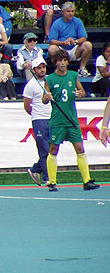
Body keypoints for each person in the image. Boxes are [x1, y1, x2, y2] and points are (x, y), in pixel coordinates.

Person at [41, 49, 99, 192]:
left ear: (67, 62)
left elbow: (82, 91)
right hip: (57, 120)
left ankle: (86, 181)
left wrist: (81, 93)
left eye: (64, 60)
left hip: (72, 119)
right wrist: (47, 98)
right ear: (55, 63)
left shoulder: (73, 76)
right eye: (59, 61)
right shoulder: (50, 79)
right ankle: (52, 182)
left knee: (80, 148)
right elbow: (43, 99)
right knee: (53, 149)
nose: (62, 63)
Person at [23, 58, 51, 186]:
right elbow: (27, 106)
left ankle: (36, 169)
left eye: (43, 67)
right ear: (34, 70)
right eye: (39, 68)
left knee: (52, 148)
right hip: (39, 119)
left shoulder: (49, 80)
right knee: (44, 149)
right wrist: (36, 115)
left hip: (51, 118)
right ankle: (47, 177)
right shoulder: (31, 85)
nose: (42, 70)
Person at [48, 2, 93, 78]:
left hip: (74, 49)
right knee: (52, 48)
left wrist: (75, 41)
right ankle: (57, 69)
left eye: (72, 11)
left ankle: (82, 68)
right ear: (63, 12)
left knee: (88, 45)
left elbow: (84, 37)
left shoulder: (78, 21)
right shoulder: (57, 23)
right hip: (61, 49)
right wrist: (63, 43)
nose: (70, 13)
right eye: (68, 11)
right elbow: (52, 40)